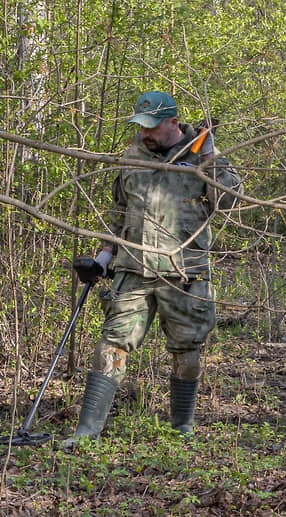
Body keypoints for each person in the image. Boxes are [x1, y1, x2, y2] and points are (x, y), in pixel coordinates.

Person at [63, 90, 240, 447]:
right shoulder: (131, 159)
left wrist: (209, 157)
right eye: (140, 126)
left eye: (152, 127)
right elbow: (117, 214)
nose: (145, 134)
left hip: (185, 273)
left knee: (186, 351)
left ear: (172, 123)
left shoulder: (201, 154)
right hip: (133, 270)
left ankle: (182, 429)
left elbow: (230, 201)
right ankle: (87, 432)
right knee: (111, 345)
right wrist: (102, 258)